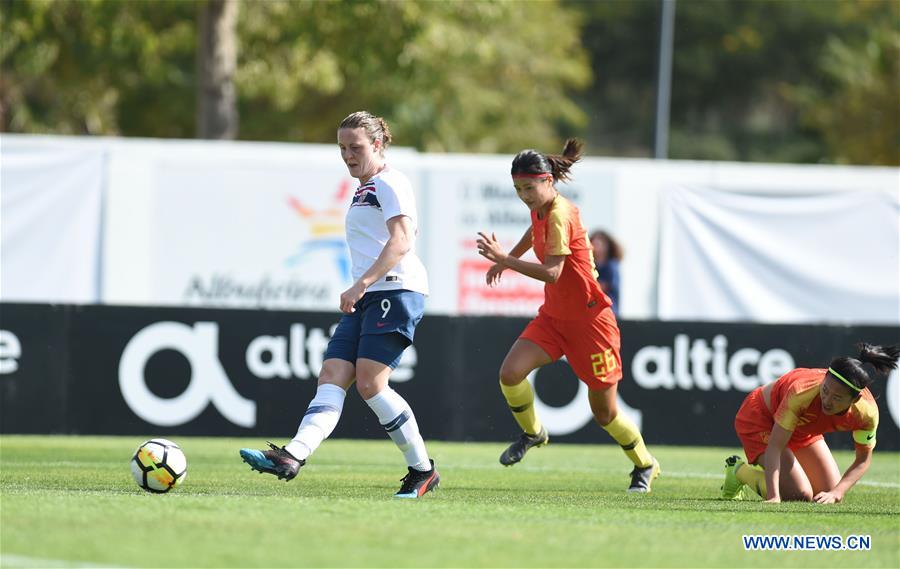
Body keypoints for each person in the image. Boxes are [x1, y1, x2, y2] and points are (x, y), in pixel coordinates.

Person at [240, 111, 439, 499]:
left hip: (396, 291)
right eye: (342, 148)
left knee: (369, 383)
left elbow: (402, 240)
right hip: (370, 295)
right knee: (332, 373)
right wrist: (363, 286)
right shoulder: (364, 187)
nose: (348, 155)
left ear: (378, 145)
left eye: (356, 147)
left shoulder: (390, 181)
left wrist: (361, 283)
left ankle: (423, 470)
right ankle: (292, 456)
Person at [475, 138, 660, 493]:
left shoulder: (560, 214)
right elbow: (534, 230)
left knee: (604, 414)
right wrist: (508, 256)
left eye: (529, 187)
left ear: (548, 181)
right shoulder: (542, 207)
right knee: (510, 373)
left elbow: (553, 273)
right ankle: (533, 432)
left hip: (592, 325)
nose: (524, 195)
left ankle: (645, 464)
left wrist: (504, 259)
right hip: (555, 319)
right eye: (518, 189)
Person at [721, 343, 899, 503]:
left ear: (855, 399)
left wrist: (838, 492)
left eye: (837, 397)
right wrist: (774, 496)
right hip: (760, 418)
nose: (827, 401)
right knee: (798, 494)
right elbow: (775, 445)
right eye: (825, 390)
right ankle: (738, 471)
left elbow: (862, 461)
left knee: (826, 492)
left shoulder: (866, 413)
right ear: (824, 380)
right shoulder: (801, 393)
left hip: (800, 429)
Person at [588, 229, 623, 315]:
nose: (596, 247)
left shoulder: (611, 266)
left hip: (609, 312)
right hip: (594, 312)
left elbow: (601, 288)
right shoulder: (592, 266)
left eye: (599, 244)